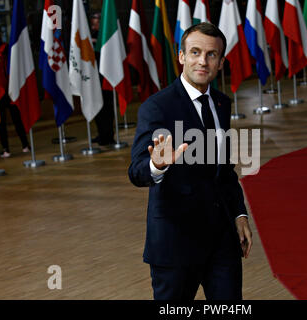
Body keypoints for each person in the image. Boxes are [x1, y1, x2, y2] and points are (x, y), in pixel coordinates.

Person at [128, 23, 252, 300]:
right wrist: (157, 165)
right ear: (181, 56)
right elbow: (136, 172)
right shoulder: (157, 107)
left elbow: (224, 170)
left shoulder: (221, 103)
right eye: (195, 52)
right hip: (176, 243)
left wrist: (239, 214)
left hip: (222, 242)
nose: (202, 61)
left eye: (211, 55)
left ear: (221, 62)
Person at [0, 40, 30, 158]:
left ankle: (25, 144)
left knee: (17, 119)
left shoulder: (5, 48)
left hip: (10, 89)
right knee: (1, 122)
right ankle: (6, 148)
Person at [90, 12, 115, 146]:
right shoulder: (91, 35)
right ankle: (101, 134)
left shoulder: (107, 36)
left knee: (107, 107)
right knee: (97, 107)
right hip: (94, 78)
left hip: (106, 77)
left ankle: (109, 135)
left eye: (96, 24)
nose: (94, 27)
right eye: (92, 24)